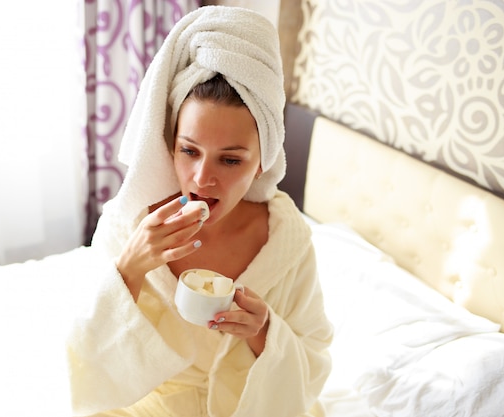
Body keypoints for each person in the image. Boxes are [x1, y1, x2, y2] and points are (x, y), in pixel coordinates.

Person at [67, 6, 333, 417]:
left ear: (262, 161)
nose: (201, 178)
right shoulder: (132, 222)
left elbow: (313, 360)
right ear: (170, 142)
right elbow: (83, 361)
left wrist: (264, 332)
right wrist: (131, 269)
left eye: (230, 161)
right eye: (189, 150)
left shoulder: (286, 241)